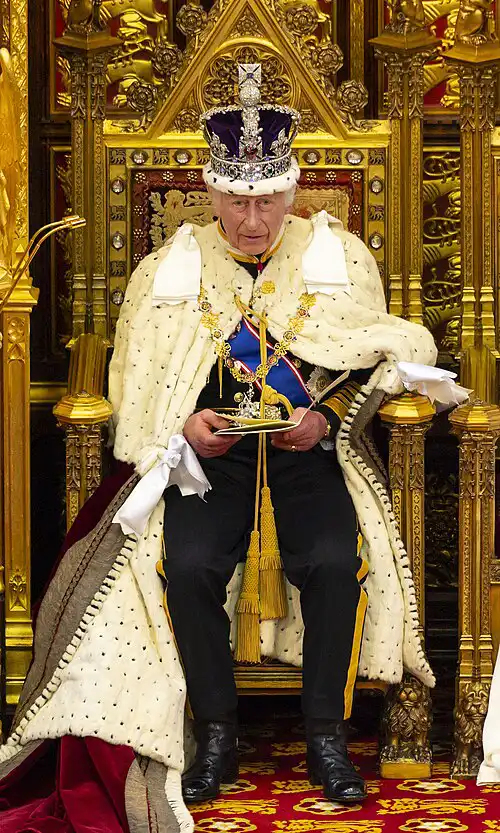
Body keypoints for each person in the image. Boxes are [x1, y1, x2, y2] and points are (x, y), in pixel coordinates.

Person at [1, 63, 464, 832]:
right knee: (185, 563)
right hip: (206, 454)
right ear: (210, 193)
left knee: (330, 557)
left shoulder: (337, 257)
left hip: (307, 446)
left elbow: (374, 359)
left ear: (293, 188)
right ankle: (216, 733)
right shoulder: (168, 271)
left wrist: (326, 417)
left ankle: (326, 739)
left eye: (268, 200)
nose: (254, 219)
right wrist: (182, 429)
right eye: (238, 201)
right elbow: (141, 384)